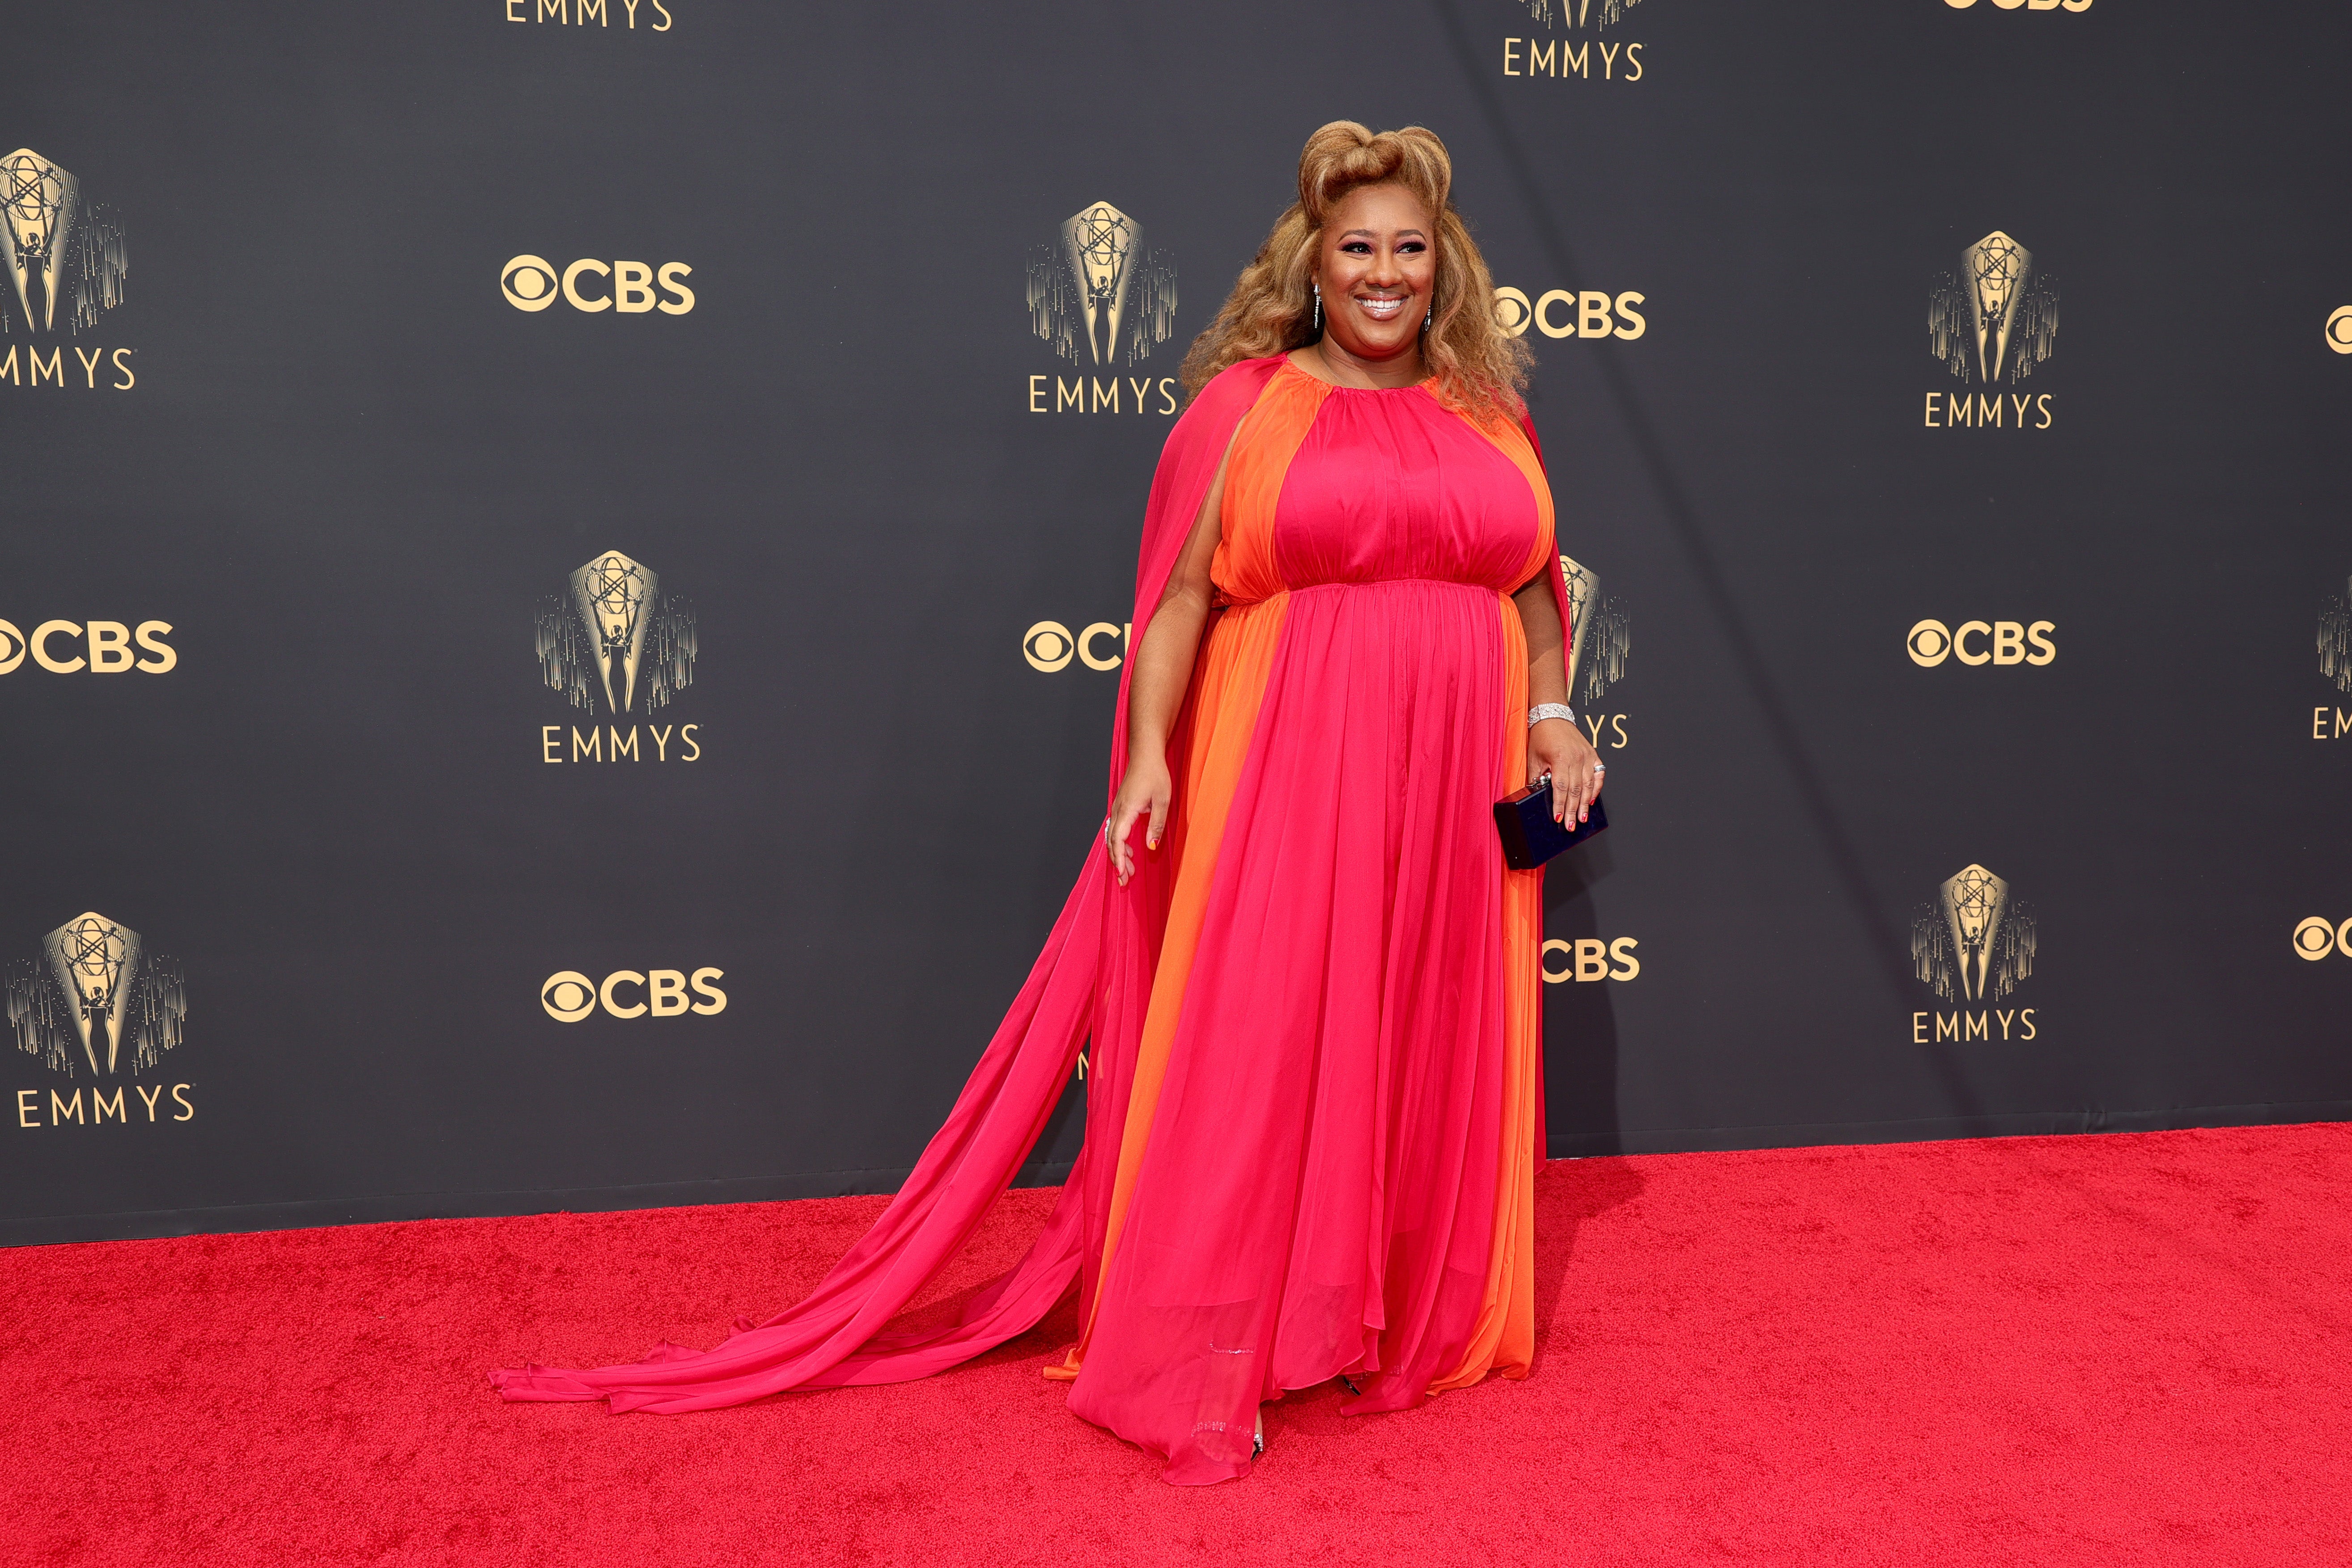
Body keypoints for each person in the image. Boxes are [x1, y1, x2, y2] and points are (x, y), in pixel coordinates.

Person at [493, 120, 1602, 1487]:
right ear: (1311, 265)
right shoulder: (1242, 407)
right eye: (1356, 248)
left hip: (1457, 767)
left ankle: (1377, 1310)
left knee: (1418, 1021)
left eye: (1409, 250)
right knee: (1260, 1038)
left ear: (1446, 267)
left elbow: (1529, 589)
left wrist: (1551, 717)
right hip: (1289, 751)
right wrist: (1146, 757)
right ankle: (1209, 1348)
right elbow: (1177, 601)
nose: (1384, 274)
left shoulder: (1488, 410)